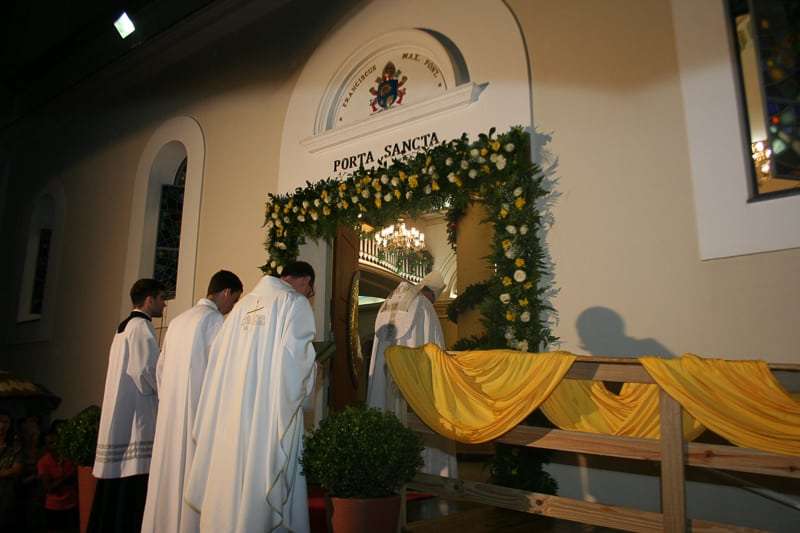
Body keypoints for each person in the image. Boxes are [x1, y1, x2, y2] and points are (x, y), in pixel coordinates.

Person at [186, 261, 317, 533]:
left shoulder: (241, 307)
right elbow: (296, 364)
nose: (308, 295)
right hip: (266, 418)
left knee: (230, 482)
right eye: (310, 290)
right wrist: (314, 370)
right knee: (262, 481)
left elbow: (217, 362)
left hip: (230, 417)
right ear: (305, 281)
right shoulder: (294, 303)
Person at [141, 270, 243, 533]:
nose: (231, 308)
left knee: (169, 477)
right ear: (225, 293)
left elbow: (159, 371)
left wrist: (171, 402)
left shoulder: (178, 321)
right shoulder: (214, 322)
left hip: (170, 416)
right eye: (234, 300)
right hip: (197, 416)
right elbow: (222, 374)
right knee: (191, 477)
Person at [89, 278, 166, 533]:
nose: (164, 304)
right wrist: (166, 390)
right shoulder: (141, 328)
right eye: (161, 298)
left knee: (116, 482)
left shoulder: (124, 327)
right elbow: (146, 372)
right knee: (132, 479)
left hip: (121, 410)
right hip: (136, 415)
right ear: (149, 299)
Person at [367, 270, 458, 478]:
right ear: (431, 295)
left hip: (386, 375)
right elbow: (434, 349)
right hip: (414, 383)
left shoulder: (387, 303)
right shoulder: (424, 307)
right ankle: (431, 474)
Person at [37, 425, 78, 532]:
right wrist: (65, 478)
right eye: (51, 443)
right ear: (46, 446)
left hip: (71, 503)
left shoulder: (69, 457)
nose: (56, 445)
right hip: (54, 506)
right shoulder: (44, 462)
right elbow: (48, 488)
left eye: (57, 441)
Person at [0, 410, 23, 531]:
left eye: (5, 422)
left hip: (7, 494)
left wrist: (6, 472)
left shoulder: (15, 447)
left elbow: (17, 469)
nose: (2, 426)